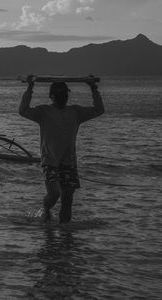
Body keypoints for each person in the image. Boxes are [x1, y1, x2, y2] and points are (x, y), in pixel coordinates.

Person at [18, 76, 104, 223]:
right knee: (55, 193)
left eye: (64, 94)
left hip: (69, 161)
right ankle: (46, 210)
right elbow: (23, 110)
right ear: (51, 96)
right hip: (50, 160)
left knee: (68, 197)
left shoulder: (75, 112)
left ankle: (65, 231)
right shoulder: (43, 112)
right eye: (58, 94)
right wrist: (30, 87)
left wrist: (93, 88)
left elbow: (99, 110)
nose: (62, 97)